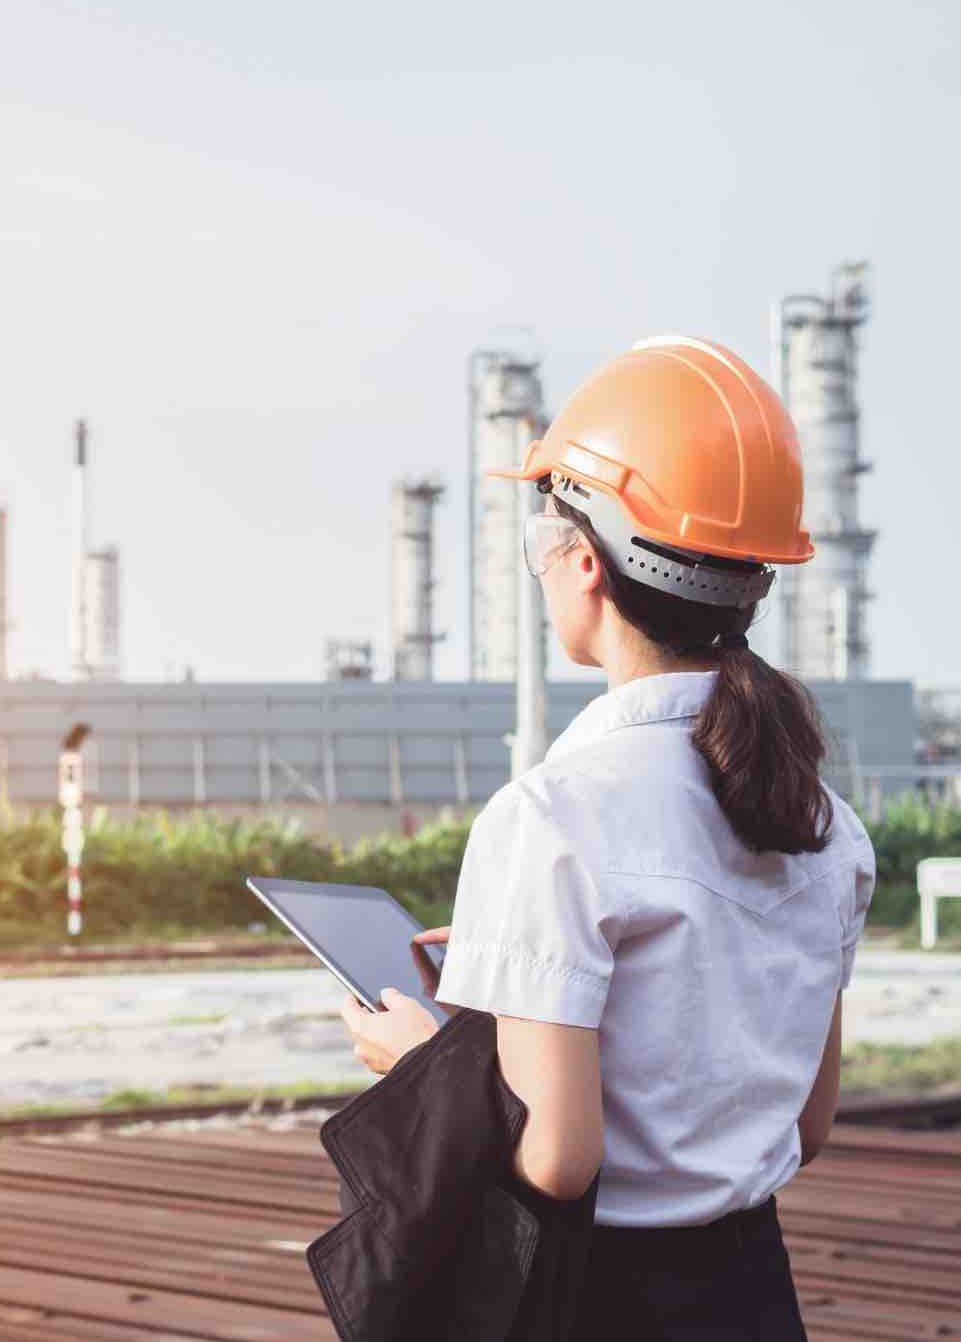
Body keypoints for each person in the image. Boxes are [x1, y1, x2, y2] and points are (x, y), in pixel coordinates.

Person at [340, 335, 876, 1341]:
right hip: (757, 1297)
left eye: (542, 545)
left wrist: (427, 1061)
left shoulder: (551, 818)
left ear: (585, 564)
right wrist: (524, 974)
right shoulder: (827, 825)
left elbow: (558, 1158)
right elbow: (805, 1124)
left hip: (595, 1302)